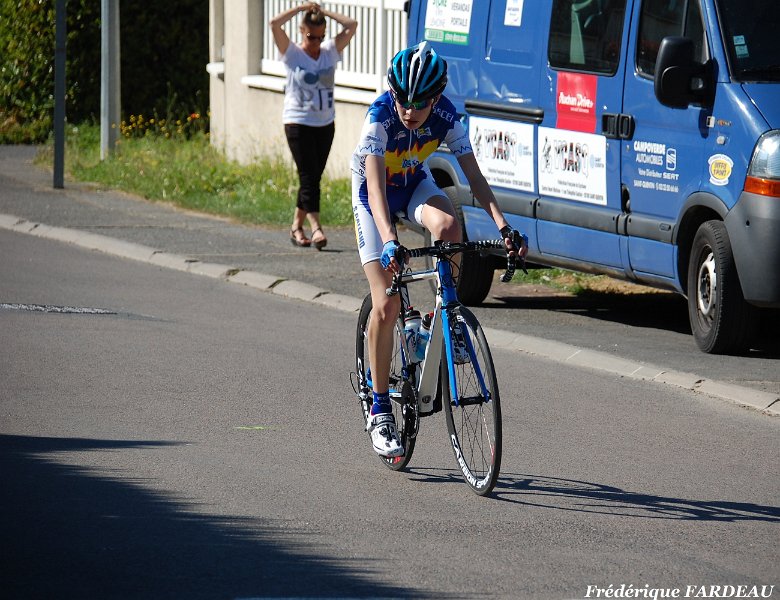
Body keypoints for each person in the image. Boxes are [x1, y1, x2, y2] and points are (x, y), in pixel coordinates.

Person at [351, 42, 528, 457]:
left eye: (420, 103)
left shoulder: (448, 116)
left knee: (449, 226)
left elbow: (475, 179)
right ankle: (380, 409)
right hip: (374, 198)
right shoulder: (378, 119)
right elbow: (375, 191)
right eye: (402, 100)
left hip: (413, 184)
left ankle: (441, 316)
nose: (409, 110)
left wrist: (504, 226)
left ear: (437, 98)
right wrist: (390, 239)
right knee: (386, 304)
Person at [270, 2, 358, 249]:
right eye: (311, 36)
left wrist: (323, 12)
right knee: (309, 176)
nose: (316, 42)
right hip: (298, 122)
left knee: (313, 176)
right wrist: (301, 9)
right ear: (301, 31)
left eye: (320, 37)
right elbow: (274, 24)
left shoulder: (329, 51)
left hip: (325, 123)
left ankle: (296, 226)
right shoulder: (292, 53)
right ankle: (317, 228)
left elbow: (352, 25)